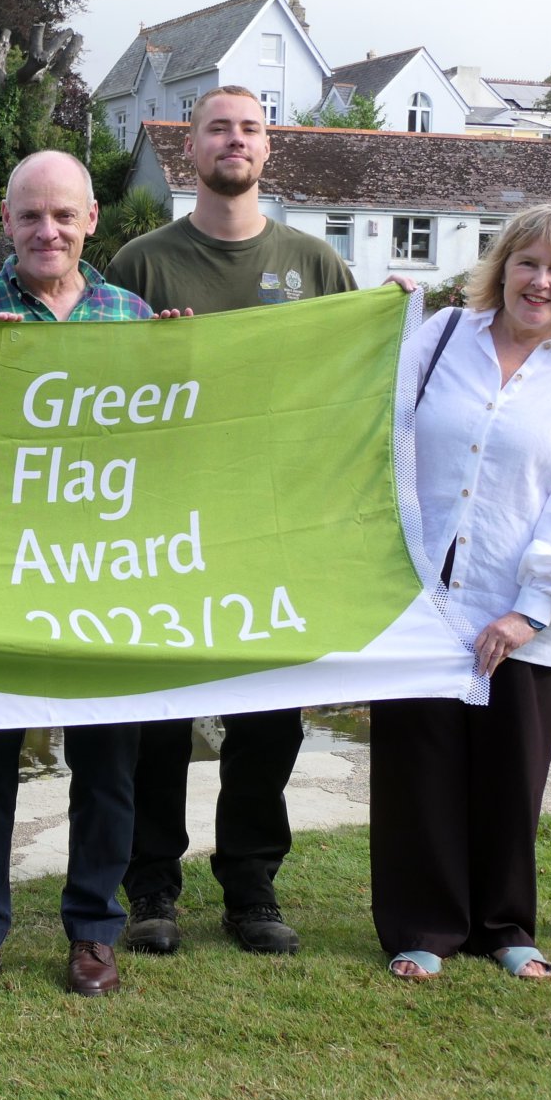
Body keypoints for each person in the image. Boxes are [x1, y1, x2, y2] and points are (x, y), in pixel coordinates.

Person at [102, 85, 356, 957]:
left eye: (250, 128)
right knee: (159, 719)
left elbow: (350, 387)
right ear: (191, 149)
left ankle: (251, 886)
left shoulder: (316, 266)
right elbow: (101, 389)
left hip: (274, 528)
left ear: (267, 149)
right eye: (218, 127)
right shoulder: (142, 261)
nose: (234, 141)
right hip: (165, 526)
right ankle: (152, 891)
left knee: (268, 716)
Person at [370, 204, 551, 982]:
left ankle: (505, 924)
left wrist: (531, 608)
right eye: (527, 262)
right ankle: (423, 925)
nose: (540, 281)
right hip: (424, 599)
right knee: (420, 766)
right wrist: (379, 322)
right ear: (503, 267)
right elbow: (377, 423)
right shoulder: (443, 337)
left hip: (529, 612)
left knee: (512, 772)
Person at [0, 151, 152, 999]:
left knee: (107, 761)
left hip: (101, 570)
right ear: (7, 219)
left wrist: (191, 357)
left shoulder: (134, 318)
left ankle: (94, 930)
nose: (47, 230)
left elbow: (166, 439)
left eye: (64, 215)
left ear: (92, 219)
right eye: (31, 215)